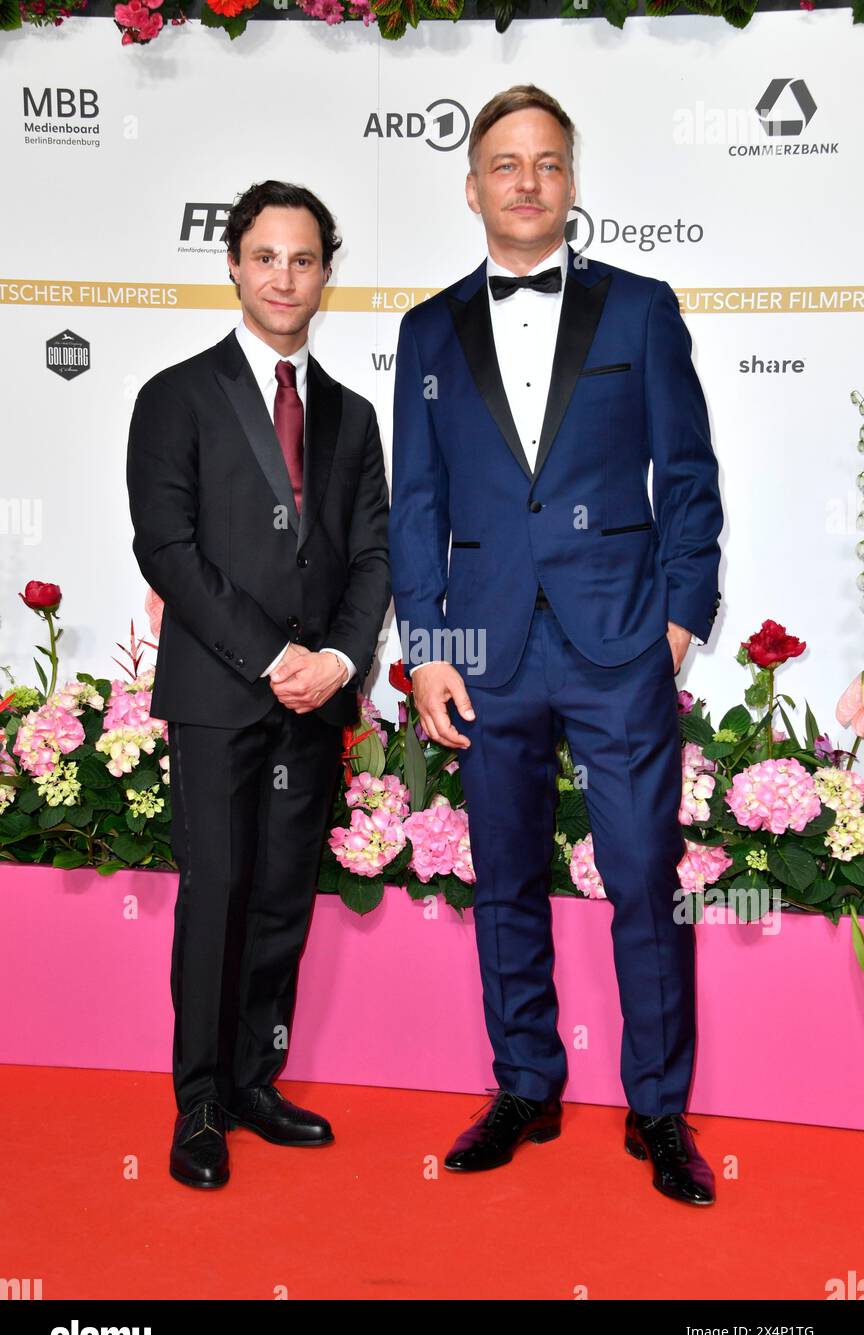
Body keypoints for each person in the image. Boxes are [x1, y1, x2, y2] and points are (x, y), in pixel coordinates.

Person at [389, 86, 723, 1205]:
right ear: (473, 183)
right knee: (506, 882)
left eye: (547, 164)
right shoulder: (427, 328)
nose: (526, 182)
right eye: (504, 164)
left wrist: (679, 616)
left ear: (571, 184)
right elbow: (415, 501)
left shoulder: (640, 308)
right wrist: (428, 644)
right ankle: (525, 1080)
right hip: (483, 649)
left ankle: (660, 1109)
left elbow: (687, 476)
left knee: (644, 875)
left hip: (619, 640)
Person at [126, 180, 391, 1189]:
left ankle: (252, 1079)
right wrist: (271, 656)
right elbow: (169, 549)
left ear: (328, 272)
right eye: (266, 256)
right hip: (218, 692)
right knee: (219, 893)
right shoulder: (175, 396)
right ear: (233, 264)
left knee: (283, 898)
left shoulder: (355, 417)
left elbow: (373, 552)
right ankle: (196, 1101)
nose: (286, 276)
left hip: (316, 699)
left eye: (305, 258)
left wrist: (339, 658)